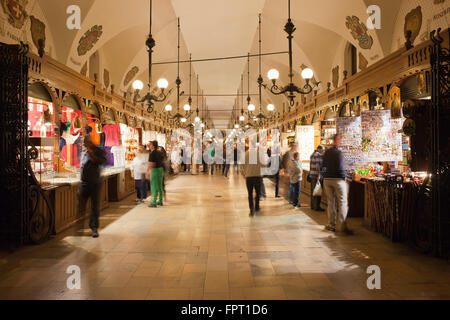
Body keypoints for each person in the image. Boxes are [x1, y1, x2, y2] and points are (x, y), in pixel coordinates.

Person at [322, 134, 353, 234]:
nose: (340, 142)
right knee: (343, 202)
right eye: (340, 140)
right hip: (337, 180)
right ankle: (341, 226)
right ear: (336, 140)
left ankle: (331, 224)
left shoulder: (326, 152)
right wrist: (345, 177)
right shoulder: (338, 153)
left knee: (331, 202)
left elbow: (323, 165)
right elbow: (340, 167)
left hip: (327, 179)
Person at [79, 136, 107, 238]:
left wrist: (92, 156)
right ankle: (79, 226)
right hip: (84, 182)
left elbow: (103, 161)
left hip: (95, 182)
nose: (84, 144)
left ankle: (94, 228)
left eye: (86, 142)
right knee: (81, 204)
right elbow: (81, 165)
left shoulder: (97, 150)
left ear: (90, 142)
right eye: (84, 143)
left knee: (94, 206)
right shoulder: (83, 152)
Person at [241, 143, 263, 217]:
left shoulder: (245, 154)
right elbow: (264, 165)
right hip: (258, 176)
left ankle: (251, 210)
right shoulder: (260, 154)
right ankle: (257, 207)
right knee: (258, 193)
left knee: (250, 194)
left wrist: (244, 174)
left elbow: (241, 166)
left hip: (249, 177)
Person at [147, 140, 164, 208]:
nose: (148, 146)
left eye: (150, 144)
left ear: (153, 146)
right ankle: (160, 200)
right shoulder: (160, 152)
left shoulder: (152, 153)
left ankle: (154, 202)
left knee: (153, 186)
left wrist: (148, 172)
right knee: (160, 186)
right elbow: (163, 159)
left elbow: (151, 164)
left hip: (154, 170)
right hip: (160, 169)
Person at [309, 145, 325, 211]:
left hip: (312, 175)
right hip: (316, 175)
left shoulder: (312, 154)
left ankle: (312, 206)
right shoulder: (318, 155)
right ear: (320, 149)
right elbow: (317, 165)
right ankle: (317, 207)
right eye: (323, 150)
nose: (323, 151)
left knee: (313, 191)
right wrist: (319, 174)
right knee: (317, 191)